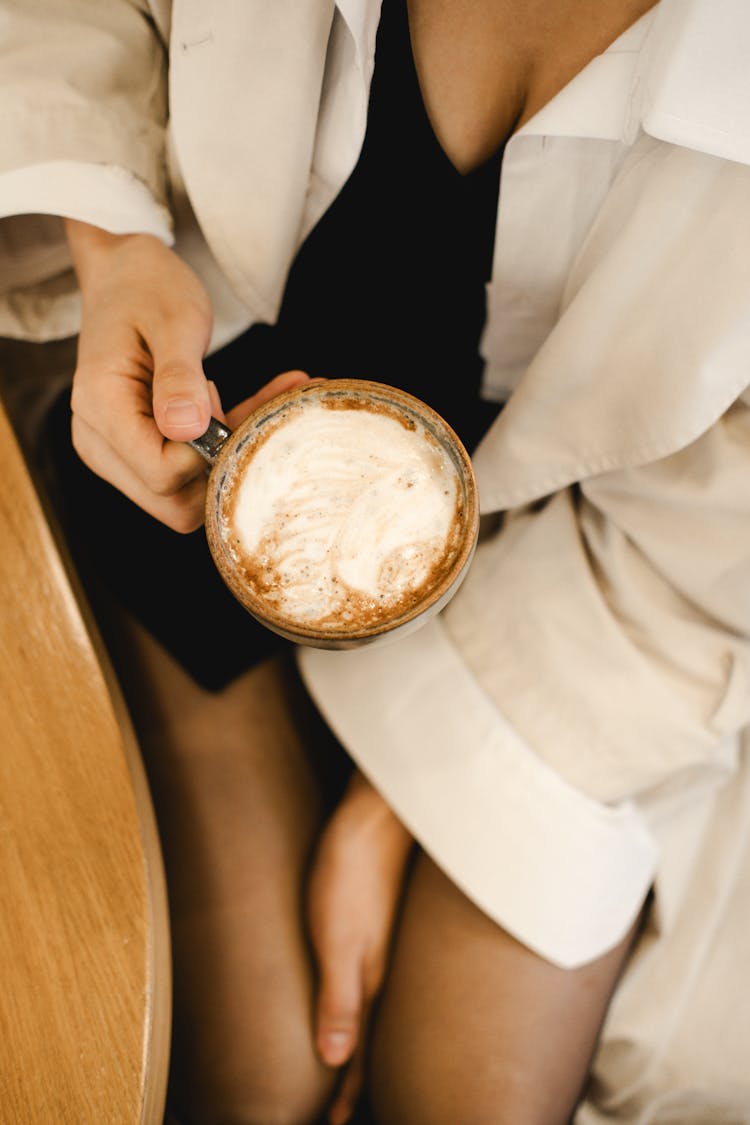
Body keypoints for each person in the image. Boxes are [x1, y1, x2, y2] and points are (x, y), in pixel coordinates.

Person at [1, 1, 749, 1123]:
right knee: (262, 1082)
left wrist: (405, 797)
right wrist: (113, 249)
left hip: (584, 583)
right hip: (183, 457)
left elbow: (716, 536)